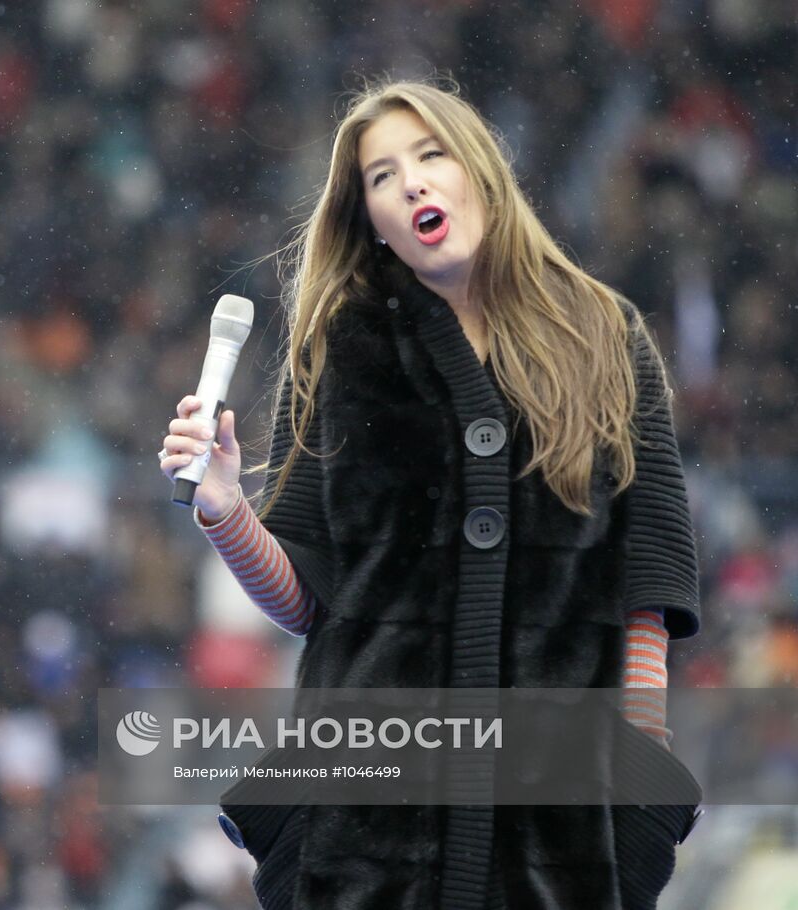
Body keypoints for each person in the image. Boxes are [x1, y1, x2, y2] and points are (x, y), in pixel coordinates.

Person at [159, 80, 700, 909]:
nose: (408, 183)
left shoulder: (605, 336)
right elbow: (306, 600)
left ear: (479, 173)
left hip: (557, 842)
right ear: (368, 218)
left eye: (429, 156)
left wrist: (638, 799)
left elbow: (647, 590)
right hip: (361, 838)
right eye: (381, 176)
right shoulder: (338, 351)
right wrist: (225, 508)